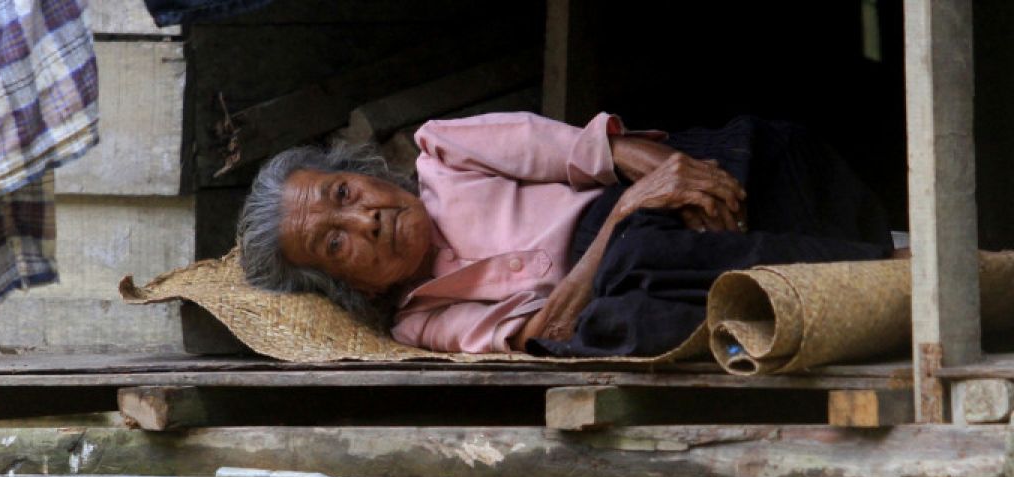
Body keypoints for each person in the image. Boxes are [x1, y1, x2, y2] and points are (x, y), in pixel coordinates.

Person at [237, 111, 894, 356]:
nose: (364, 219)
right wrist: (625, 213)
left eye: (343, 195)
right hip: (626, 256)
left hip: (661, 209)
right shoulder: (419, 321)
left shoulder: (443, 152)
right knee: (624, 308)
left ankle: (879, 258)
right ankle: (872, 274)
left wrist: (661, 175)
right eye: (334, 242)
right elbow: (550, 326)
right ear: (344, 284)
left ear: (360, 175)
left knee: (751, 152)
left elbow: (589, 150)